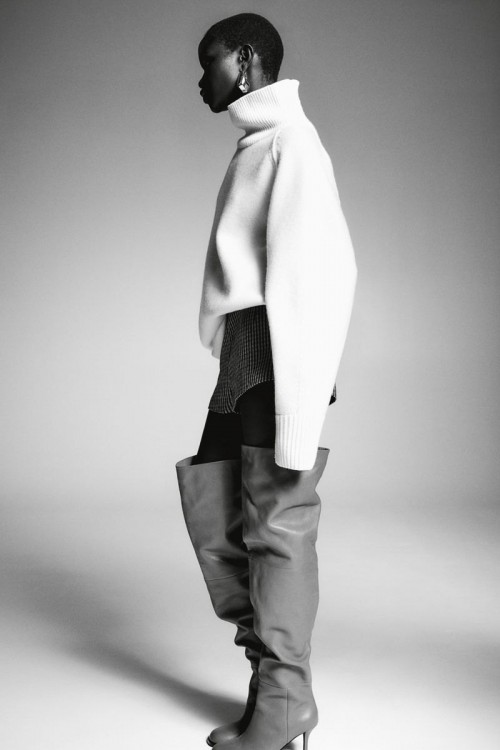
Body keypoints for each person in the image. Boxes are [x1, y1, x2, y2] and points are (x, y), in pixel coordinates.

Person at [175, 12, 357, 750]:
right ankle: (272, 685)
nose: (201, 79)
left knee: (277, 523)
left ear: (246, 58)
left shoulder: (292, 145)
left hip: (278, 353)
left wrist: (301, 400)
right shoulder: (260, 143)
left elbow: (321, 276)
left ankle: (284, 703)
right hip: (246, 352)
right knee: (215, 507)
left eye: (210, 62)